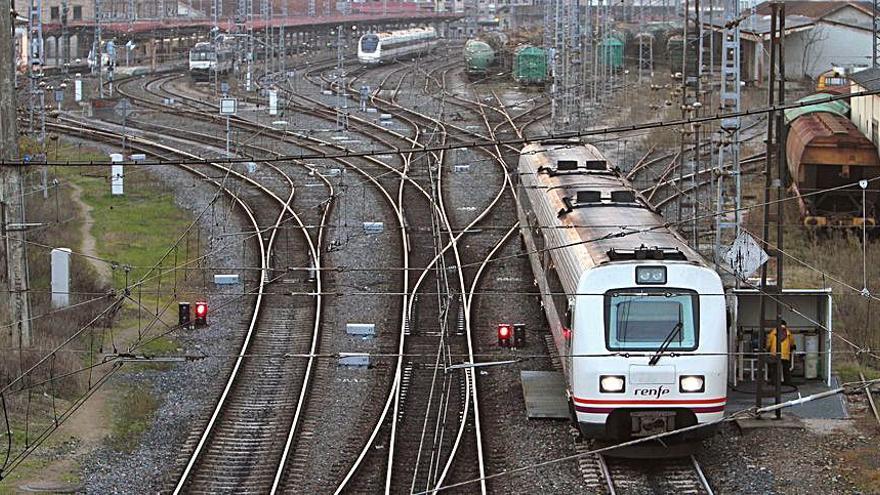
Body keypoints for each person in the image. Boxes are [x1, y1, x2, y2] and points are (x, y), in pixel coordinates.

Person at [766, 319, 796, 386]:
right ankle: (787, 382)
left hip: (775, 353)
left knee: (774, 369)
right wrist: (792, 346)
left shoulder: (773, 332)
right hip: (785, 354)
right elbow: (792, 342)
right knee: (786, 369)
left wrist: (767, 348)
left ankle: (774, 382)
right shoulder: (788, 332)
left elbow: (769, 342)